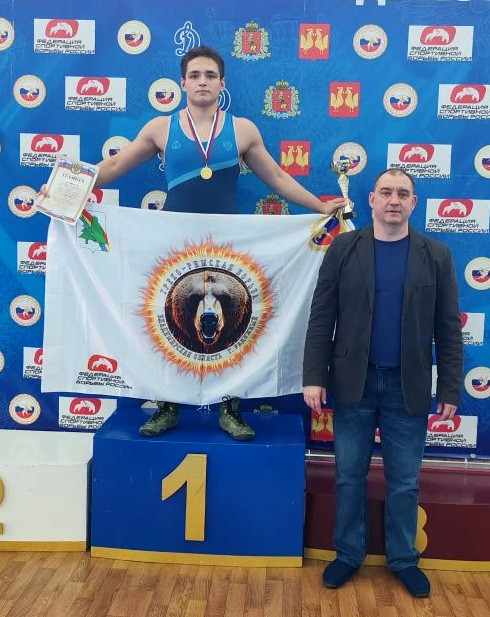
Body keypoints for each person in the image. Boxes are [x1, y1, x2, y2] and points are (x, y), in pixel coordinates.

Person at [89, 45, 345, 441]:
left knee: (234, 324)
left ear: (222, 83)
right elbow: (116, 164)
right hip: (173, 244)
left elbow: (277, 177)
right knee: (168, 319)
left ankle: (231, 408)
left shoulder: (243, 130)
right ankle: (167, 405)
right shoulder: (161, 128)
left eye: (210, 75)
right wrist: (69, 187)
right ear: (183, 83)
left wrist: (319, 206)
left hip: (227, 246)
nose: (202, 82)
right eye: (195, 75)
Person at [302, 168, 463, 597]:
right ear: (371, 200)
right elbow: (322, 316)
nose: (394, 200)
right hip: (353, 382)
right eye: (386, 192)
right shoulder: (343, 249)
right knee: (348, 475)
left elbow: (449, 328)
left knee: (405, 480)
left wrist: (450, 387)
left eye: (403, 194)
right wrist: (314, 376)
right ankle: (348, 554)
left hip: (407, 386)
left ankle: (404, 559)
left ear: (414, 203)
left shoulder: (437, 255)